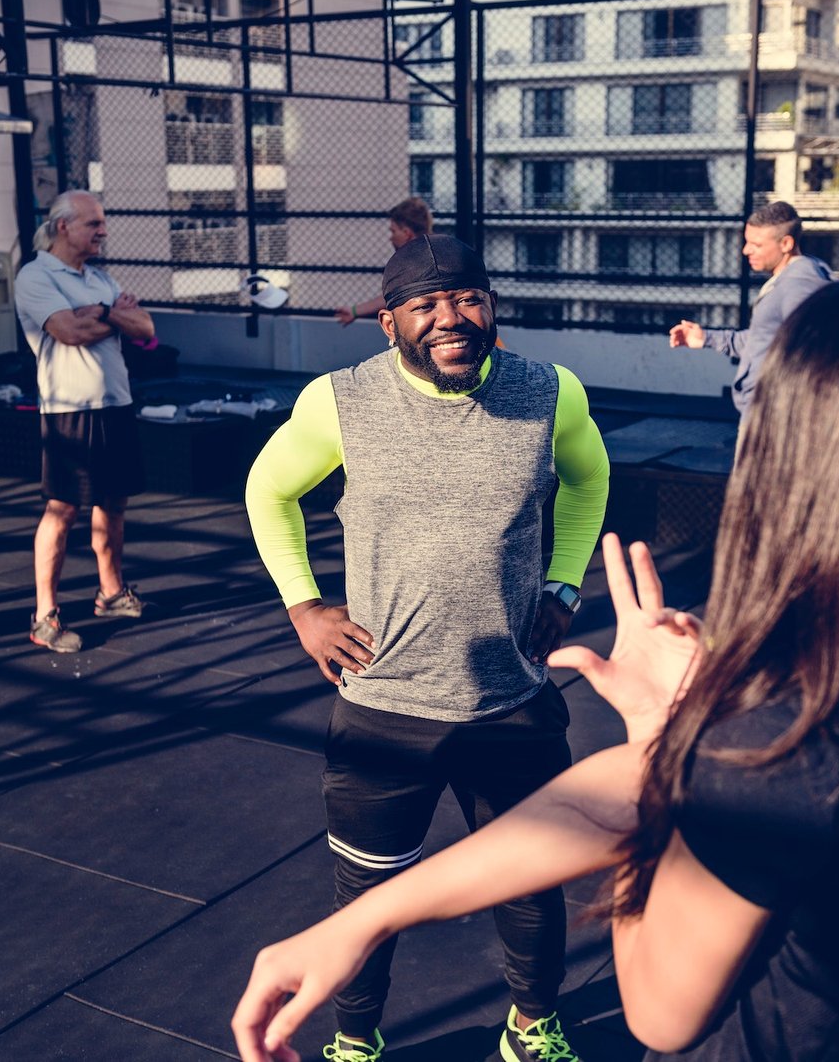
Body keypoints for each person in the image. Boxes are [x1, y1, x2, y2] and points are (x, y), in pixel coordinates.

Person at [233, 274, 839, 1062]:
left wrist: (665, 736)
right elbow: (647, 791)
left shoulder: (806, 726)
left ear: (798, 450)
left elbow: (661, 1010)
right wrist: (367, 919)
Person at [244, 234, 610, 1062]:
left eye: (468, 299)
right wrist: (304, 608)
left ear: (491, 306)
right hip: (385, 708)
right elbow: (268, 491)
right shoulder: (340, 403)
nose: (451, 319)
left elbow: (589, 481)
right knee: (366, 893)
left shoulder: (551, 394)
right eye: (426, 306)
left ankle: (533, 1026)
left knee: (530, 880)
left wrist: (563, 582)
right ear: (388, 321)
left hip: (509, 699)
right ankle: (355, 1039)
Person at [15, 189, 157, 653]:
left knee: (114, 503)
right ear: (63, 227)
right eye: (93, 223)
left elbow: (147, 328)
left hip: (114, 404)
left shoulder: (98, 278)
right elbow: (68, 333)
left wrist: (101, 312)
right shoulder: (36, 276)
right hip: (69, 410)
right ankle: (44, 616)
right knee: (62, 509)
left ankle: (111, 593)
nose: (103, 231)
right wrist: (113, 314)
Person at [667, 200, 832, 424]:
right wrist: (707, 338)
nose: (746, 250)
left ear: (786, 243)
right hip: (764, 413)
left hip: (773, 417)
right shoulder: (787, 279)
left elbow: (814, 349)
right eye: (747, 242)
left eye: (756, 244)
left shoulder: (800, 283)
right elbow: (763, 341)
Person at [333, 197, 433, 326]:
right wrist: (354, 311)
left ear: (406, 233)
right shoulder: (434, 250)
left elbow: (392, 296)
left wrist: (355, 311)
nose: (390, 238)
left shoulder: (414, 261)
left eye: (393, 231)